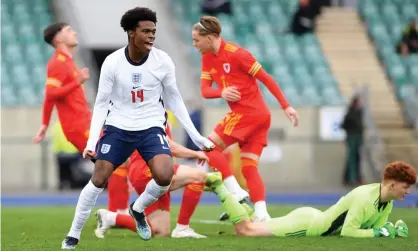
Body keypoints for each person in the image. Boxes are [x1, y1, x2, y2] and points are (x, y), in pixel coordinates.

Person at [61, 7, 214, 249]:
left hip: (151, 128)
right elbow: (101, 104)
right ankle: (73, 233)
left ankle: (137, 208)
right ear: (131, 33)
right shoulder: (112, 63)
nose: (152, 35)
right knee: (99, 179)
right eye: (146, 31)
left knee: (164, 176)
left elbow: (175, 100)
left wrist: (196, 137)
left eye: (154, 31)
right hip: (118, 128)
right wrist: (92, 143)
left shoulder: (163, 60)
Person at [192, 16, 299, 222]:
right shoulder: (207, 57)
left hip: (248, 113)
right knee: (249, 167)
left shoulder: (238, 55)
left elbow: (266, 78)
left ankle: (235, 191)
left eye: (197, 40)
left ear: (212, 37)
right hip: (258, 117)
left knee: (208, 147)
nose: (194, 45)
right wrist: (222, 92)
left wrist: (286, 106)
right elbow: (205, 91)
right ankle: (261, 213)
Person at [34, 22, 130, 214]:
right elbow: (52, 94)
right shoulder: (57, 63)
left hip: (86, 122)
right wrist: (77, 82)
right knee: (117, 161)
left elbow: (49, 95)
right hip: (78, 126)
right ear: (58, 38)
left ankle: (116, 212)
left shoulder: (68, 61)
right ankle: (118, 212)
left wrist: (44, 123)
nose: (74, 32)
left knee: (116, 163)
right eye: (69, 30)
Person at [209, 161, 415, 238]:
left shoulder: (386, 202)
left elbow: (373, 228)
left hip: (312, 217)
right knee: (245, 231)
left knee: (255, 222)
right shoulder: (364, 197)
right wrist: (380, 233)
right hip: (307, 226)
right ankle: (219, 186)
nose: (407, 192)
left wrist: (391, 231)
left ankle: (242, 207)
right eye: (405, 187)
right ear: (392, 184)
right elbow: (349, 232)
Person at [94, 126, 214, 239]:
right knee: (198, 176)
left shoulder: (156, 111)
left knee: (159, 231)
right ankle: (182, 227)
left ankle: (111, 218)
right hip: (148, 169)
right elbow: (168, 146)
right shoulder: (153, 112)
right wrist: (195, 153)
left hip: (152, 169)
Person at [341, 95, 364, 186]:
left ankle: (356, 178)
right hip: (352, 138)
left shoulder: (359, 113)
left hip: (357, 137)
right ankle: (351, 178)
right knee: (351, 159)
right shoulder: (350, 113)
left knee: (357, 158)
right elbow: (344, 125)